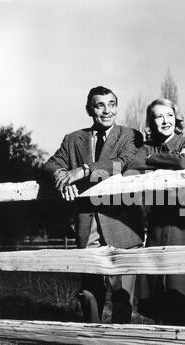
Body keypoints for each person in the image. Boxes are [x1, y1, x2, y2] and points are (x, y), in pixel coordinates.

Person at [43, 86, 144, 324]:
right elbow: (50, 164)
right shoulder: (73, 139)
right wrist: (61, 177)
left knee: (123, 289)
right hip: (87, 221)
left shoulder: (131, 136)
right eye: (100, 105)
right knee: (89, 287)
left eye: (112, 104)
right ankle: (92, 337)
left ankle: (120, 338)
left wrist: (83, 170)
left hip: (122, 222)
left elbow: (123, 163)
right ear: (90, 109)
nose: (107, 111)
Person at [125, 98, 185, 325]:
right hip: (159, 217)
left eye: (169, 115)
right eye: (159, 116)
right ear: (151, 122)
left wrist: (152, 160)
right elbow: (132, 164)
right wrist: (154, 158)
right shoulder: (147, 146)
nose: (165, 121)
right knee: (157, 279)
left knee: (182, 280)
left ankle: (179, 344)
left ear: (176, 117)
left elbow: (183, 162)